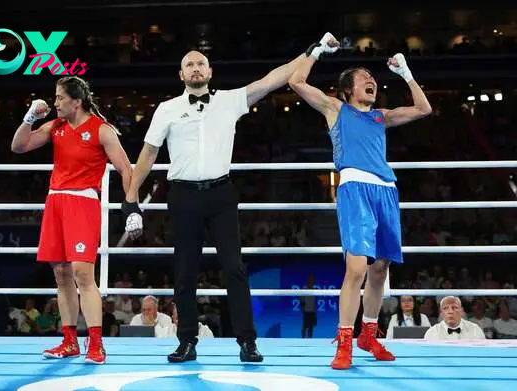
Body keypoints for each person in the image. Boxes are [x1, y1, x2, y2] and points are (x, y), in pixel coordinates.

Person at [122, 44, 321, 363]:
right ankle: (186, 340)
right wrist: (131, 197)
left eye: (201, 63)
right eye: (190, 65)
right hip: (183, 195)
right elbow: (147, 155)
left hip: (221, 195)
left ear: (210, 71)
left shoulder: (230, 101)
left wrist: (312, 52)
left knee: (234, 269)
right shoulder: (167, 108)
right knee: (185, 272)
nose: (196, 68)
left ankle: (247, 341)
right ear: (181, 74)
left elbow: (272, 80)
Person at [289, 32, 432, 369]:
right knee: (356, 269)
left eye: (373, 79)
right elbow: (296, 81)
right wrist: (319, 49)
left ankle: (368, 333)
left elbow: (424, 109)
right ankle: (344, 343)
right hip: (354, 189)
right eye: (364, 79)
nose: (371, 82)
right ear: (348, 89)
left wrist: (406, 73)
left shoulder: (381, 116)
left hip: (386, 189)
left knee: (380, 269)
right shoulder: (336, 108)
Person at [11, 76, 133, 364]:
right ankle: (69, 341)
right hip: (55, 201)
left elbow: (126, 168)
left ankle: (96, 344)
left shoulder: (102, 130)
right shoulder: (56, 127)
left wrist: (131, 207)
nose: (55, 103)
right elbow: (18, 146)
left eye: (60, 98)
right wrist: (29, 117)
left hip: (83, 202)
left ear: (76, 101)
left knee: (82, 273)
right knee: (61, 274)